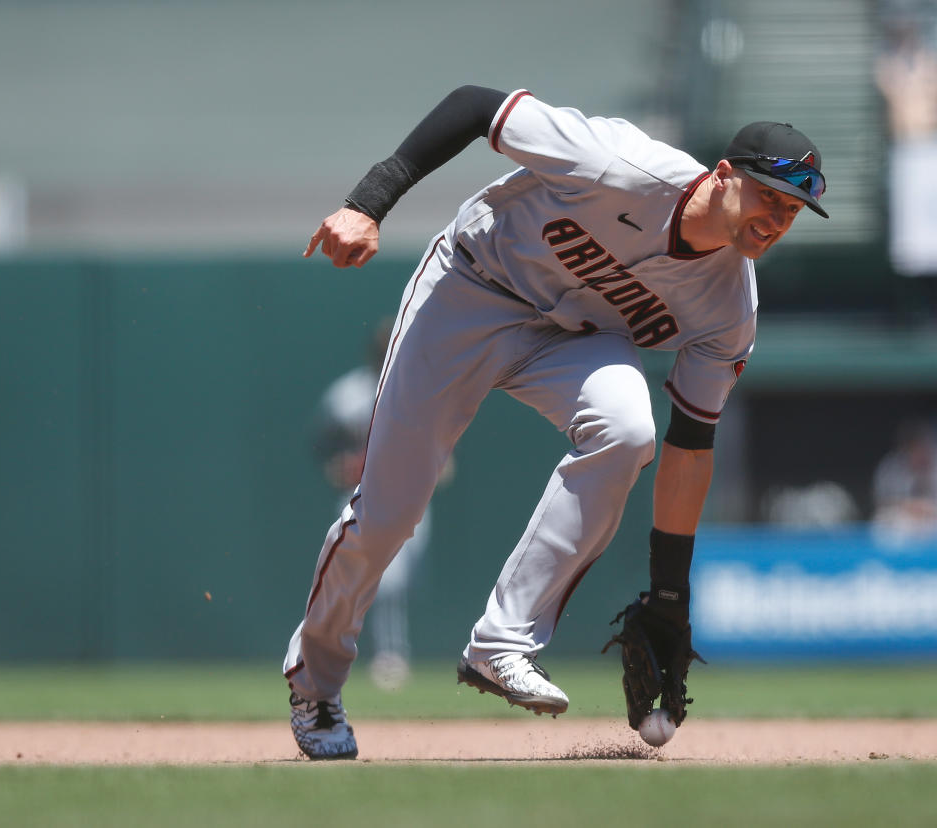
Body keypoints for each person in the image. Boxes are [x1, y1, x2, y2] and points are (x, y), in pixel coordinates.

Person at [283, 85, 829, 760]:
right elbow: (475, 106)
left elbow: (689, 446)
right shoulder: (620, 164)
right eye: (768, 195)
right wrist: (368, 201)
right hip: (471, 286)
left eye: (793, 208)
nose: (777, 218)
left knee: (628, 428)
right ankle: (317, 681)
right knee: (389, 515)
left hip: (569, 336)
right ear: (722, 176)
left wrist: (668, 594)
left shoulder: (729, 309)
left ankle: (503, 642)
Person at [310, 319, 451, 691]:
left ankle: (382, 653)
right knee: (369, 580)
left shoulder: (420, 391)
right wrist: (336, 467)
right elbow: (323, 448)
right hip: (360, 495)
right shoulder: (348, 395)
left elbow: (444, 452)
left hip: (408, 497)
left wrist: (436, 466)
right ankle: (383, 655)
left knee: (397, 582)